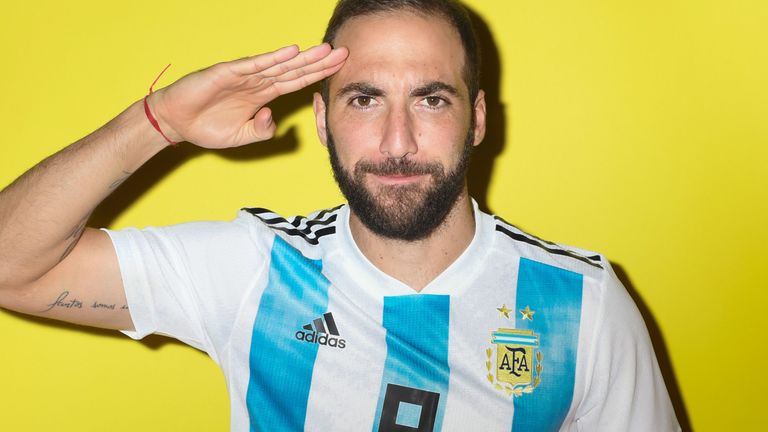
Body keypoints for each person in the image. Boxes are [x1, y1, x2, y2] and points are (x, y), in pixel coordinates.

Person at [0, 0, 680, 430]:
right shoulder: (255, 270)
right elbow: (11, 268)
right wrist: (158, 123)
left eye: (432, 100)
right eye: (364, 100)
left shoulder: (581, 306)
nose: (396, 141)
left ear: (476, 119)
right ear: (322, 120)